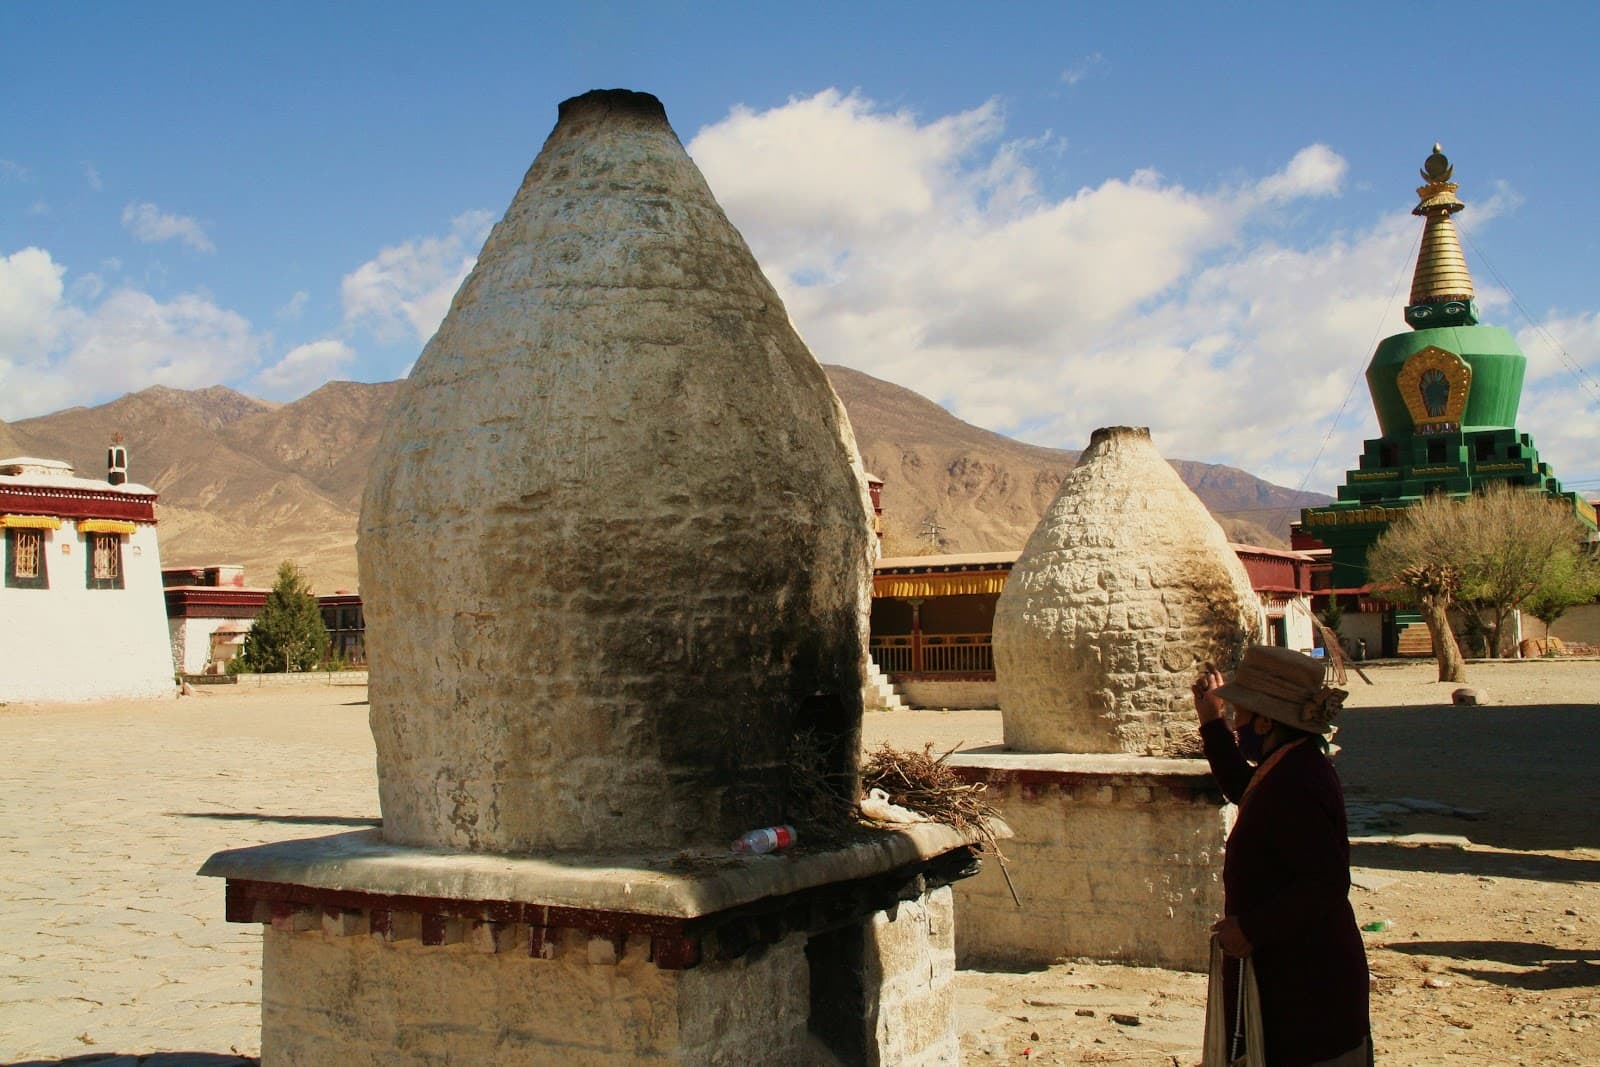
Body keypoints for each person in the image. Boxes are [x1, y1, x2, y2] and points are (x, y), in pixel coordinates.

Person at [1192, 646, 1372, 1066]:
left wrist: (1252, 928)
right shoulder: (1285, 765)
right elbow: (1246, 790)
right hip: (1291, 966)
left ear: (1266, 720)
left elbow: (1325, 883)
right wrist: (1212, 725)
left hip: (1308, 978)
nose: (1238, 723)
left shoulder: (1300, 780)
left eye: (1240, 714)